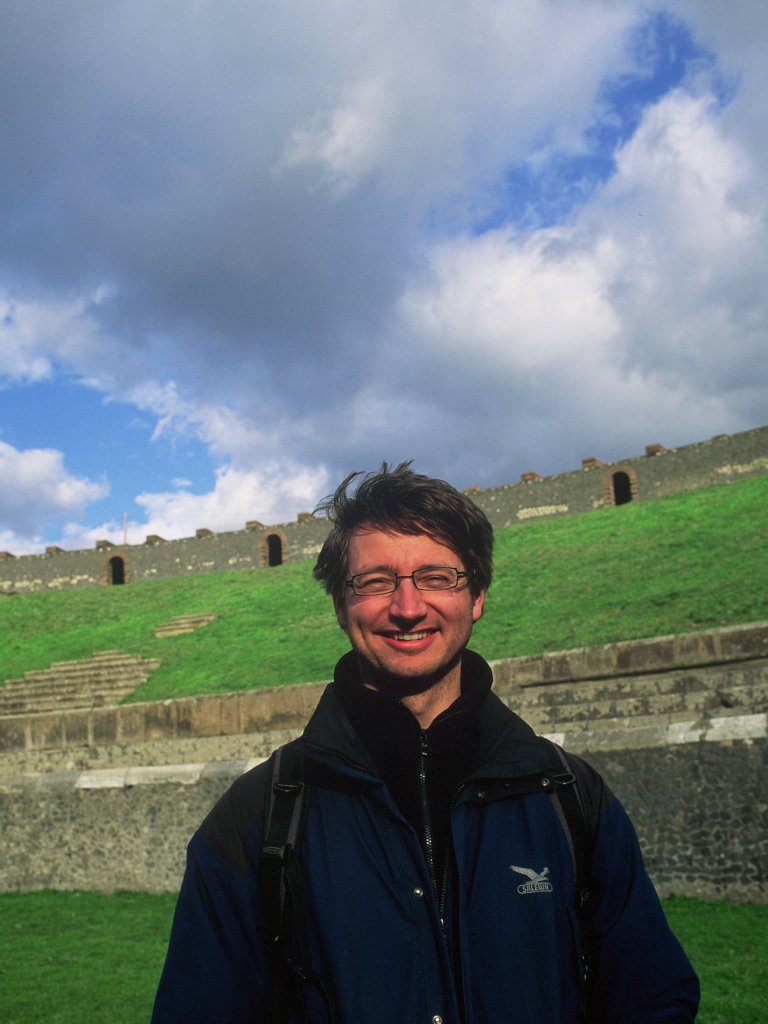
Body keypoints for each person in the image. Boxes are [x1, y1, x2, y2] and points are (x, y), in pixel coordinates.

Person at [151, 463, 699, 1023]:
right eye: (375, 581)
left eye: (437, 577)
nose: (408, 607)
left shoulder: (570, 796)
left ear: (477, 596)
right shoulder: (256, 817)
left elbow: (653, 1000)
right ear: (340, 605)